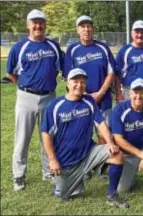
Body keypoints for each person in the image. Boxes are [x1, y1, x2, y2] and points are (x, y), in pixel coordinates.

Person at [40, 68, 128, 208]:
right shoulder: (55, 106)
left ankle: (112, 195)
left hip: (88, 153)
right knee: (63, 196)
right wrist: (52, 160)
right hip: (66, 161)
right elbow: (45, 134)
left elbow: (101, 123)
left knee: (117, 155)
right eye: (75, 81)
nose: (79, 85)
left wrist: (111, 143)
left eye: (82, 82)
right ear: (67, 83)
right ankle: (62, 183)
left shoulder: (89, 101)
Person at [7, 9, 64, 191]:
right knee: (22, 138)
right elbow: (11, 73)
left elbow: (58, 69)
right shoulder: (19, 47)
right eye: (34, 22)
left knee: (47, 136)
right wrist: (26, 87)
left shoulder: (53, 46)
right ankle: (18, 176)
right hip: (26, 96)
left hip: (49, 96)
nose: (38, 25)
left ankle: (48, 171)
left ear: (45, 25)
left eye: (41, 22)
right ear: (28, 25)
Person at [63, 16, 116, 179]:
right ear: (78, 30)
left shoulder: (102, 48)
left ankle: (102, 167)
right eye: (82, 26)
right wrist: (84, 94)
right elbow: (67, 76)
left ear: (93, 29)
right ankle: (83, 166)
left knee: (103, 133)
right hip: (80, 100)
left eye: (89, 26)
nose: (86, 29)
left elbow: (111, 72)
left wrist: (100, 93)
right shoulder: (72, 50)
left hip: (103, 98)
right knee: (81, 133)